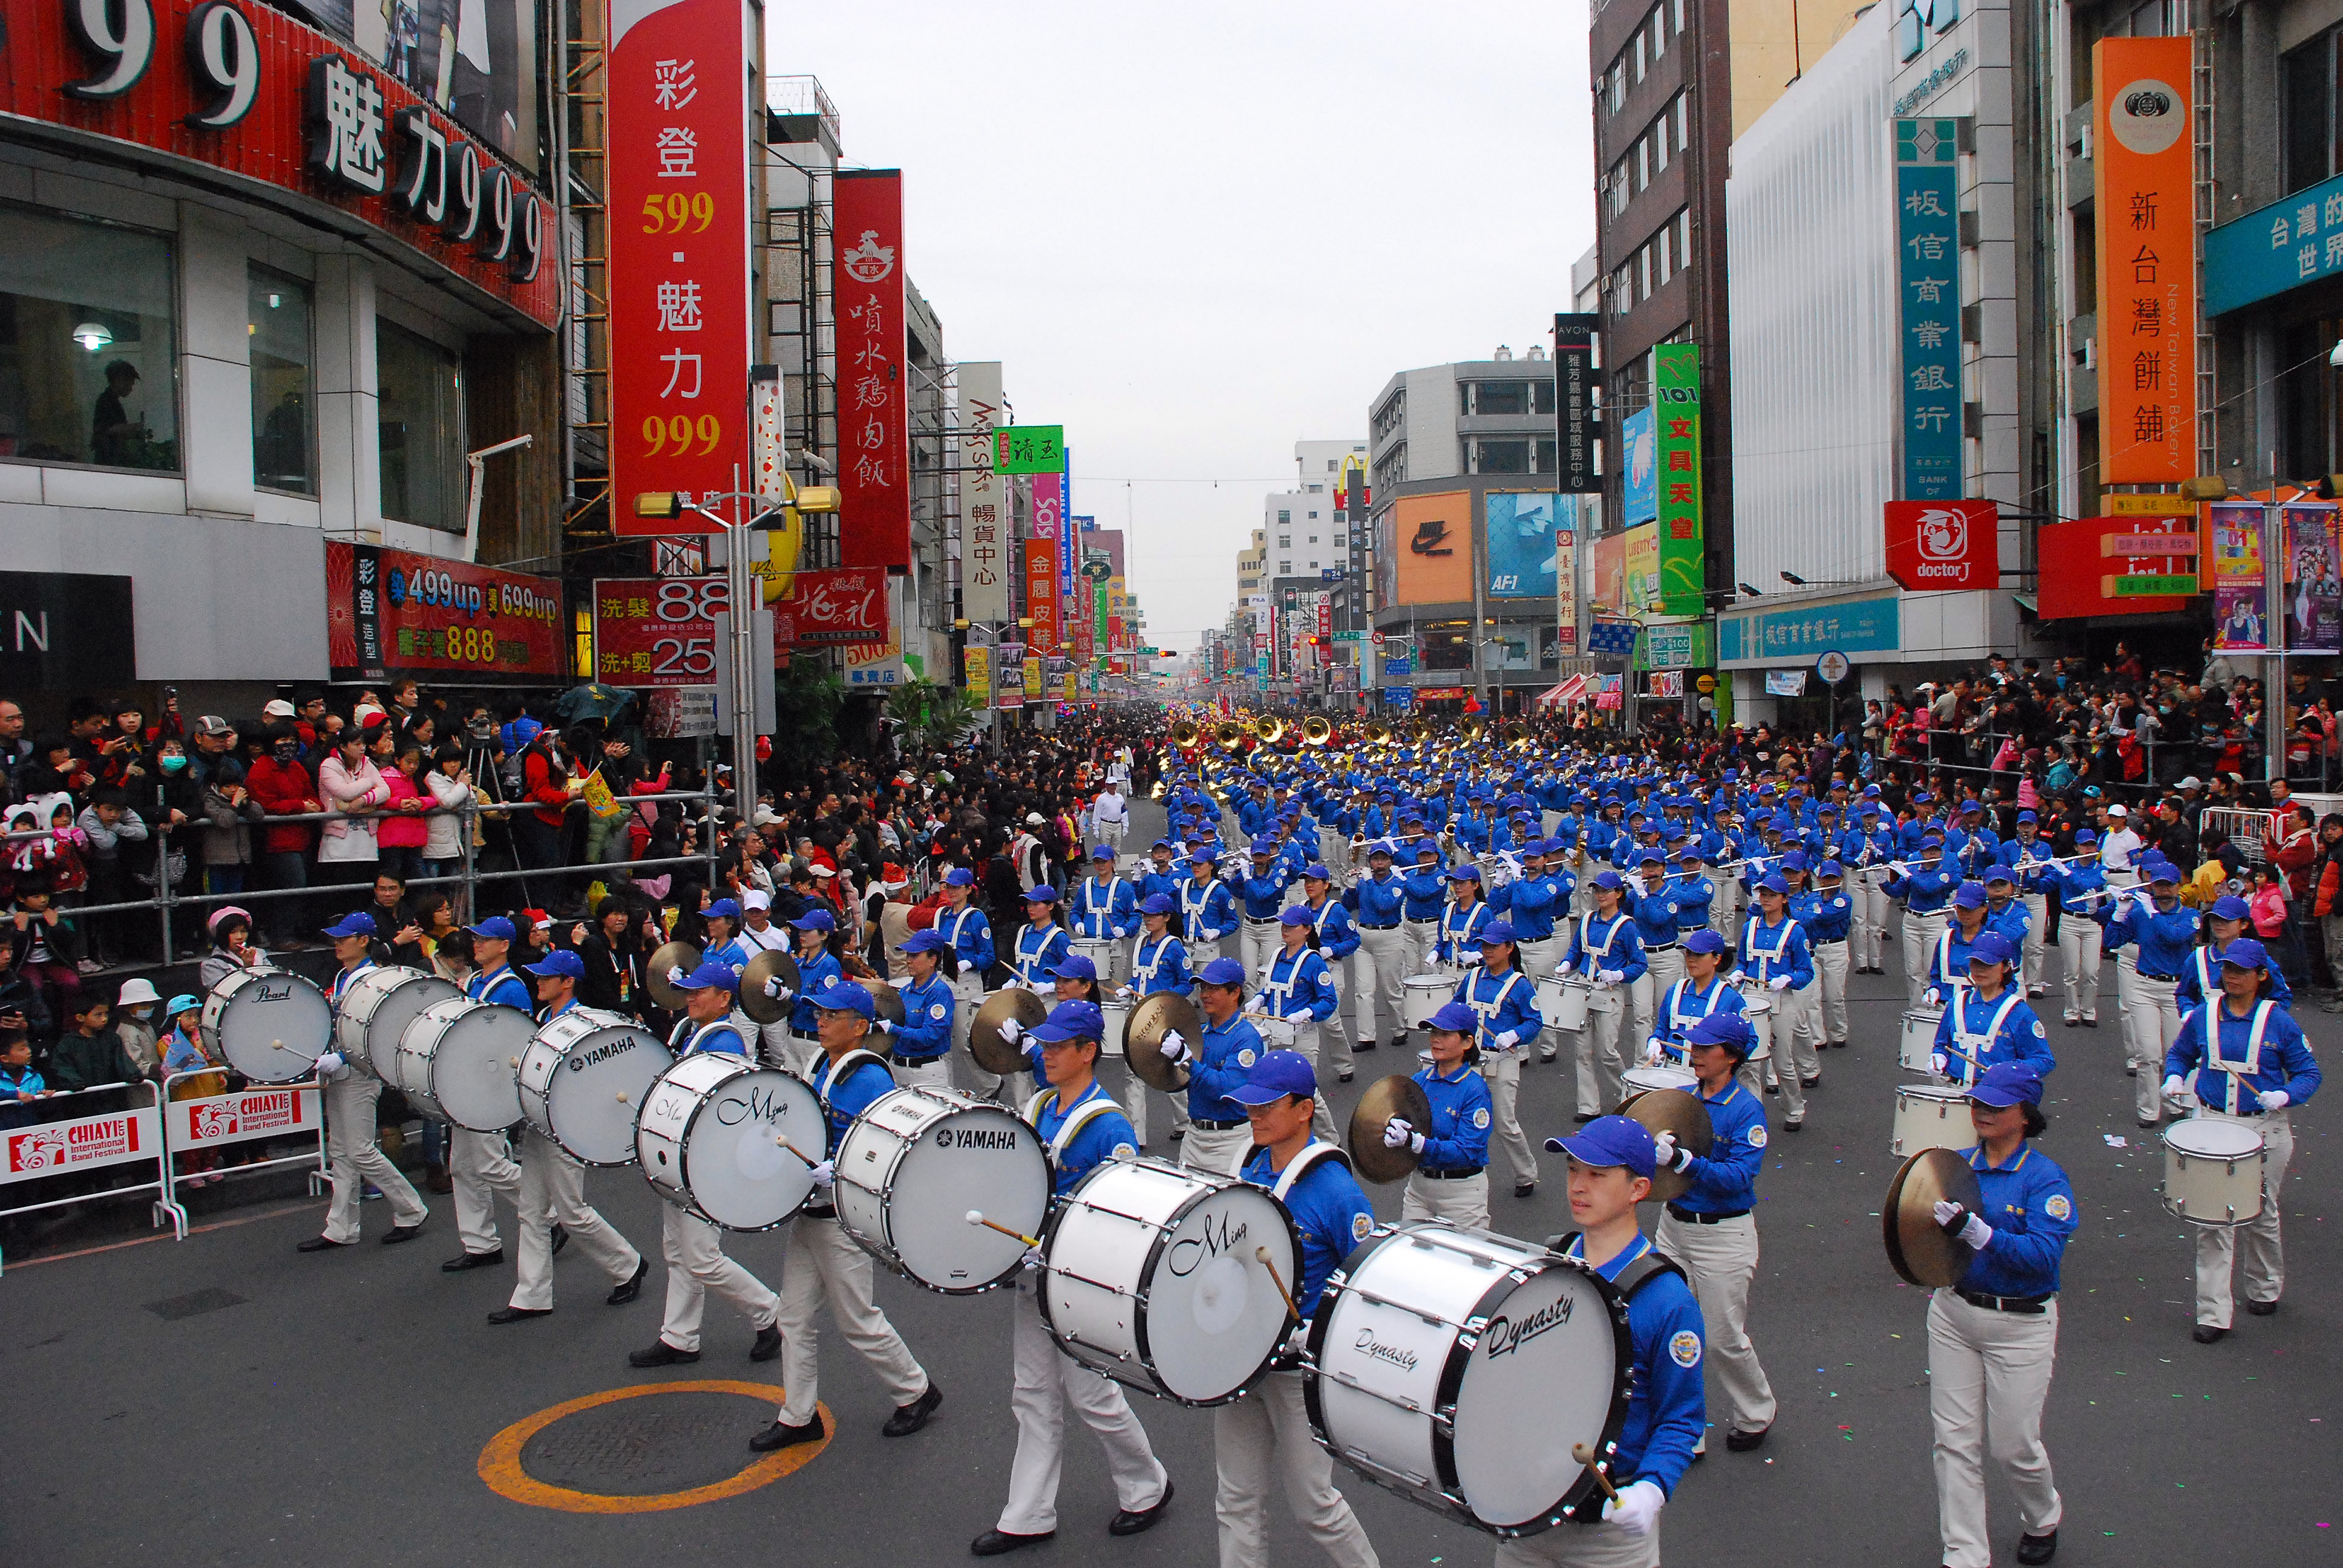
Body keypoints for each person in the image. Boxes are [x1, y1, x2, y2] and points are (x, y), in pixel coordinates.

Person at [973, 998, 1172, 1556]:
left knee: (1092, 1396)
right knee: (1032, 1392)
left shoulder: (1110, 1126)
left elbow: (1125, 1217)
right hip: (1030, 1273)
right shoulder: (1038, 1105)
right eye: (1045, 1044)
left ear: (1088, 1052)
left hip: (1079, 1283)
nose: (1047, 1054)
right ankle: (1028, 1513)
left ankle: (1147, 1485)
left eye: (1059, 1046)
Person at [755, 978, 942, 1451]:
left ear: (859, 1027)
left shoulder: (872, 1079)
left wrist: (837, 1170)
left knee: (857, 1319)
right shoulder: (821, 1063)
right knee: (793, 1317)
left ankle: (916, 1390)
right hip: (810, 1211)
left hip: (841, 1217)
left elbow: (887, 1148)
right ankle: (799, 1416)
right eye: (819, 1014)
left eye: (832, 1016)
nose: (820, 1022)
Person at [1512, 1114, 1705, 1568]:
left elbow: (1681, 1417)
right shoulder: (1547, 1264)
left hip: (1609, 1537)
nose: (1578, 1186)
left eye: (1597, 1175)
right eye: (1572, 1170)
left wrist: (1652, 1488)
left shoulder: (1668, 1300)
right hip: (1525, 1517)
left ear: (1638, 1189)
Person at [1217, 1050, 1381, 1568]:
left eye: (1268, 1107)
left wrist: (1317, 1331)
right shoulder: (1248, 1165)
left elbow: (1369, 1282)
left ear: (1305, 1109)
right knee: (1236, 1498)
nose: (1255, 1115)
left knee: (1314, 1505)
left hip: (1296, 1372)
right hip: (1241, 1360)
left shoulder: (1335, 1190)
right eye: (1251, 1105)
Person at [1921, 1062, 2071, 1568]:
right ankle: (1964, 1553)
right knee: (1954, 1441)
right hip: (1954, 1315)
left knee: (2013, 1447)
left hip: (2020, 1327)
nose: (1982, 1111)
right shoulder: (1953, 1167)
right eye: (1979, 1102)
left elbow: (2044, 1257)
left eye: (1996, 1106)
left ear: (2025, 1115)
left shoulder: (2045, 1179)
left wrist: (1981, 1235)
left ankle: (2042, 1516)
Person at [2161, 938, 2321, 1342]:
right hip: (2213, 1124)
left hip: (2263, 1128)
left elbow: (2308, 1073)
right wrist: (2175, 1077)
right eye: (2228, 969)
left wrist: (2285, 1095)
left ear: (2261, 976)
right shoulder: (2204, 1014)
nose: (2232, 977)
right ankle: (2213, 1313)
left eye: (2241, 971)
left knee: (2261, 1212)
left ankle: (2265, 1287)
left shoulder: (2279, 1022)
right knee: (2213, 1220)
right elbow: (2180, 1053)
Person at [629, 961, 784, 1368]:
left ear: (724, 998)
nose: (691, 997)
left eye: (700, 992)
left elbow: (722, 1110)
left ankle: (771, 1312)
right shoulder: (693, 1032)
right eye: (690, 991)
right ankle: (680, 1337)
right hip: (681, 1158)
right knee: (678, 1252)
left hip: (705, 1163)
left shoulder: (725, 1042)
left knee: (700, 1256)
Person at [487, 949, 647, 1324]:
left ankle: (629, 1264)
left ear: (568, 982)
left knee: (572, 1213)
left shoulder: (584, 1023)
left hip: (567, 1129)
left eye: (546, 977)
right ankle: (532, 1295)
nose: (538, 982)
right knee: (531, 1211)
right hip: (540, 1123)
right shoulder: (546, 1018)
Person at [1650, 1013, 1774, 1455]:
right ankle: (1687, 1428)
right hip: (1674, 1227)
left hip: (1723, 1236)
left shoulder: (1746, 1110)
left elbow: (1740, 1176)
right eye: (1695, 1046)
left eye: (1706, 1048)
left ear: (1732, 1056)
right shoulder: (1682, 1100)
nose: (1696, 1054)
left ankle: (1756, 1412)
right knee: (1675, 1332)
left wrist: (1685, 1162)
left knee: (1722, 1338)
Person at [299, 912, 429, 1250]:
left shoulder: (371, 979)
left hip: (359, 1072)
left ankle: (411, 1209)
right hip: (342, 1071)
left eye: (344, 938)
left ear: (363, 941)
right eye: (336, 939)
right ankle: (341, 1227)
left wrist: (341, 1058)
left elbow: (374, 1032)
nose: (337, 944)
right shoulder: (345, 975)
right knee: (341, 1151)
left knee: (359, 1150)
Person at [442, 915, 533, 1273]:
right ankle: (480, 1243)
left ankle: (551, 1213)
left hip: (492, 1086)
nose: (476, 944)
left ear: (504, 945)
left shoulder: (511, 988)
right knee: (463, 1165)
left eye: (484, 939)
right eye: (475, 939)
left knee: (491, 1163)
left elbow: (517, 1039)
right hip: (468, 1083)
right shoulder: (475, 982)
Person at [1450, 920, 1544, 1198]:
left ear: (1509, 948)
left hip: (1501, 1060)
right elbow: (1456, 1006)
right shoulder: (1473, 977)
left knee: (1504, 1122)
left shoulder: (1520, 985)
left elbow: (1535, 1021)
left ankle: (1526, 1174)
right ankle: (1465, 1170)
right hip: (1468, 1060)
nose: (1487, 951)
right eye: (1485, 946)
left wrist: (1514, 1035)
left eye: (1493, 946)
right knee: (1462, 1118)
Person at [1384, 999, 1493, 1229]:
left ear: (1467, 1042)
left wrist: (1419, 1144)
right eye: (1434, 1032)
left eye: (1445, 1034)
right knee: (1412, 1248)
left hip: (1462, 1197)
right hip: (1419, 1190)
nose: (1436, 1039)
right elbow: (1403, 1125)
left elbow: (1468, 1150)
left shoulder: (1475, 1090)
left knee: (1463, 1253)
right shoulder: (1419, 1081)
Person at [2105, 861, 2197, 1127]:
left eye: (2169, 886)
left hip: (2177, 990)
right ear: (2152, 886)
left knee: (2175, 1051)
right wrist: (2119, 914)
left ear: (2178, 887)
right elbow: (2111, 942)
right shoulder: (2140, 913)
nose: (2164, 891)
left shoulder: (2189, 915)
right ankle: (2148, 1110)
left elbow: (2174, 938)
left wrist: (2152, 913)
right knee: (2148, 1053)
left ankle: (2175, 1103)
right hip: (2144, 987)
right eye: (2159, 886)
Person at [1156, 955, 1265, 1177]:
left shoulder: (1247, 1039)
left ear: (1235, 993)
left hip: (1230, 1143)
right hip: (1193, 1138)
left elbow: (1226, 1089)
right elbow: (1179, 1082)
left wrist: (1186, 1060)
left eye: (1213, 989)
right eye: (1203, 988)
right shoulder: (1200, 1032)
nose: (1204, 995)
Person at [1558, 871, 1647, 1122]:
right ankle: (1588, 1105)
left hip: (1608, 992)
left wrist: (1619, 974)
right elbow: (1576, 950)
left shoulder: (1627, 927)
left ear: (1618, 894)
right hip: (1583, 988)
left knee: (1607, 1050)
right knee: (1582, 1051)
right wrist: (1567, 964)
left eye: (1606, 891)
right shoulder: (1587, 920)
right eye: (1597, 890)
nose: (1600, 895)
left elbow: (1640, 963)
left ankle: (1628, 1095)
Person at [1250, 907, 1340, 1141]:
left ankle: (1331, 1141)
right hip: (1276, 1033)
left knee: (1307, 1093)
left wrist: (1307, 1013)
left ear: (1307, 930)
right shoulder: (1277, 956)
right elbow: (1270, 989)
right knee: (1274, 1089)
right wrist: (1259, 999)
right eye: (1284, 925)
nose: (1285, 930)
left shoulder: (1313, 961)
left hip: (1302, 1036)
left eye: (1292, 926)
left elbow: (1329, 1000)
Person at [1734, 874, 1814, 1129]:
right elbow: (1743, 961)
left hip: (1779, 999)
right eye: (1763, 895)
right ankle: (1753, 1115)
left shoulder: (1795, 931)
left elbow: (1806, 971)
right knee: (1749, 1061)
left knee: (1782, 1061)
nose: (1766, 899)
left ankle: (1794, 1110)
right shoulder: (1750, 927)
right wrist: (1738, 973)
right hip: (1751, 996)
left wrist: (1788, 979)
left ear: (1784, 899)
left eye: (1772, 895)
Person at [1929, 933, 2056, 1088]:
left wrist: (2009, 1070)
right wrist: (1939, 1057)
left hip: (1997, 1094)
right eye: (1975, 963)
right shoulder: (1956, 1004)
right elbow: (1942, 1044)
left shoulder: (2019, 1012)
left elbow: (2044, 1060)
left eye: (1988, 964)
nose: (1980, 970)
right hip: (1955, 1090)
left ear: (2006, 967)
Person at [1119, 892, 1190, 1144]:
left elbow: (1186, 984)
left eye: (1153, 915)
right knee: (1133, 1074)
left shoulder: (1175, 948)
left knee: (1171, 1070)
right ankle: (1136, 1134)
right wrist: (1128, 988)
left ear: (1166, 917)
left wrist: (1164, 998)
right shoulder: (1140, 943)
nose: (1147, 919)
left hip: (1164, 1019)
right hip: (1137, 1015)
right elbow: (1136, 977)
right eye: (1145, 915)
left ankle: (1185, 1122)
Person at [883, 929, 957, 1089]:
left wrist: (893, 1029)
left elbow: (929, 1036)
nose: (908, 961)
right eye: (908, 955)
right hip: (898, 1068)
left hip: (926, 1073)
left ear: (932, 960)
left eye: (915, 956)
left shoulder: (939, 993)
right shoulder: (904, 991)